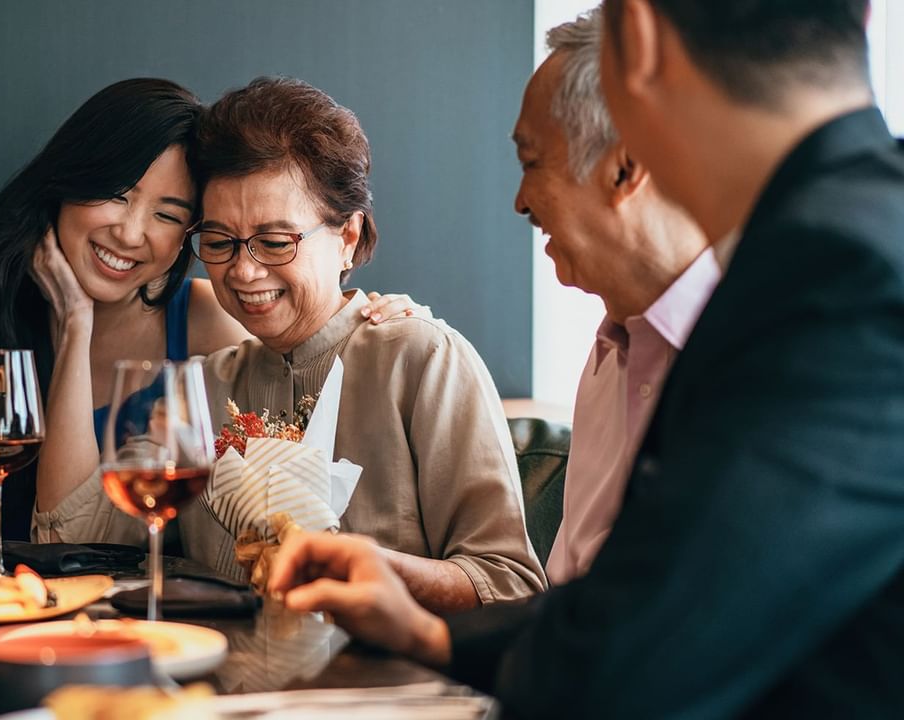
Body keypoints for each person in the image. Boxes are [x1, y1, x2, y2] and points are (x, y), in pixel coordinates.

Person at [269, 1, 904, 716]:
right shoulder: (850, 233)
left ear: (638, 37)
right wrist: (429, 633)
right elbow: (653, 591)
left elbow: (647, 655)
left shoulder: (836, 273)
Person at [50, 76, 546, 613]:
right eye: (219, 242)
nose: (243, 270)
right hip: (226, 688)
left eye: (275, 242)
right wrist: (78, 317)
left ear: (348, 237)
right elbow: (68, 540)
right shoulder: (209, 386)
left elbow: (510, 583)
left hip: (386, 687)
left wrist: (363, 564)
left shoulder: (422, 362)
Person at [0, 78, 418, 551]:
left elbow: (306, 404)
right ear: (65, 184)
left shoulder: (211, 320)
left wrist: (371, 316)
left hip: (171, 628)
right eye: (115, 195)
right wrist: (73, 323)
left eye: (168, 215)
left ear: (188, 237)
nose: (130, 234)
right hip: (5, 618)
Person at [513, 9, 715, 584]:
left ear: (625, 166)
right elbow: (569, 597)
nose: (520, 202)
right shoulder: (607, 357)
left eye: (532, 163)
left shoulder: (754, 347)